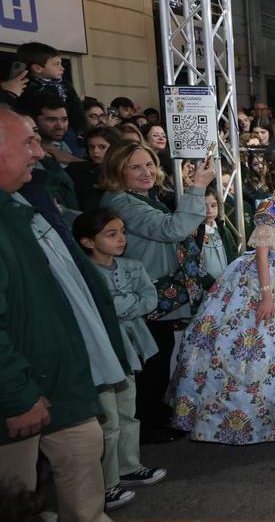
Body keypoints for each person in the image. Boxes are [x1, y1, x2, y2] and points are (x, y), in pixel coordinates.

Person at [0, 108, 123, 521]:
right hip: (20, 400)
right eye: (28, 142)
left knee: (85, 484)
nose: (40, 153)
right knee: (17, 501)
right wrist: (17, 397)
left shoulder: (25, 207)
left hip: (63, 388)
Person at [169, 160, 275, 444]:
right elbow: (262, 254)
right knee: (264, 345)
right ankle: (260, 419)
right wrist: (266, 295)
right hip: (269, 277)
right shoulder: (267, 211)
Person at [99, 141, 212, 443]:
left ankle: (155, 416)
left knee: (159, 358)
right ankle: (148, 426)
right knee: (151, 363)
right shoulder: (121, 203)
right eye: (135, 167)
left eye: (149, 164)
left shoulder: (139, 197)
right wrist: (198, 187)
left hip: (156, 292)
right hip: (144, 295)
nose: (146, 172)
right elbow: (171, 229)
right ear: (117, 170)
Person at [74, 209, 168, 507]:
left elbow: (150, 300)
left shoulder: (132, 266)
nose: (121, 238)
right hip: (103, 350)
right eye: (111, 234)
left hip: (132, 349)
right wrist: (128, 304)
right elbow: (107, 307)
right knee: (108, 419)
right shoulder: (84, 274)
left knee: (128, 411)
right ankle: (107, 482)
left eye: (122, 231)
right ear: (88, 242)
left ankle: (129, 466)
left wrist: (118, 304)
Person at [17, 41, 86, 134]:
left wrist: (82, 130)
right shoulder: (25, 87)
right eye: (57, 64)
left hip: (69, 131)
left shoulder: (65, 85)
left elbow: (77, 109)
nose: (62, 68)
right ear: (37, 68)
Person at [69, 126, 123, 212]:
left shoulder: (125, 170)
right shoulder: (77, 170)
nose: (95, 151)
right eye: (91, 147)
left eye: (102, 147)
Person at [198, 189, 236, 286]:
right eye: (203, 206)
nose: (209, 211)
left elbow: (233, 254)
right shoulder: (195, 233)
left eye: (213, 206)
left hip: (226, 285)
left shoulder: (223, 230)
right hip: (206, 288)